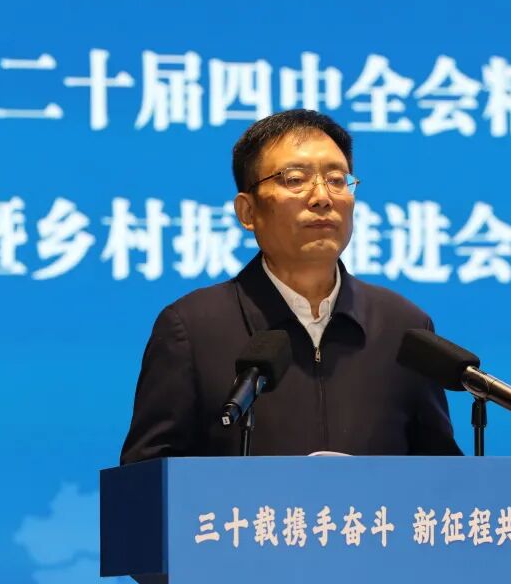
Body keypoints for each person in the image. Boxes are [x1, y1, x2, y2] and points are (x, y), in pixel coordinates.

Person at [120, 110, 460, 462]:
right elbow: (148, 477)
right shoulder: (192, 329)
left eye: (337, 180)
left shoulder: (402, 328)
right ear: (247, 211)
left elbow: (440, 475)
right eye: (295, 179)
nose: (322, 197)